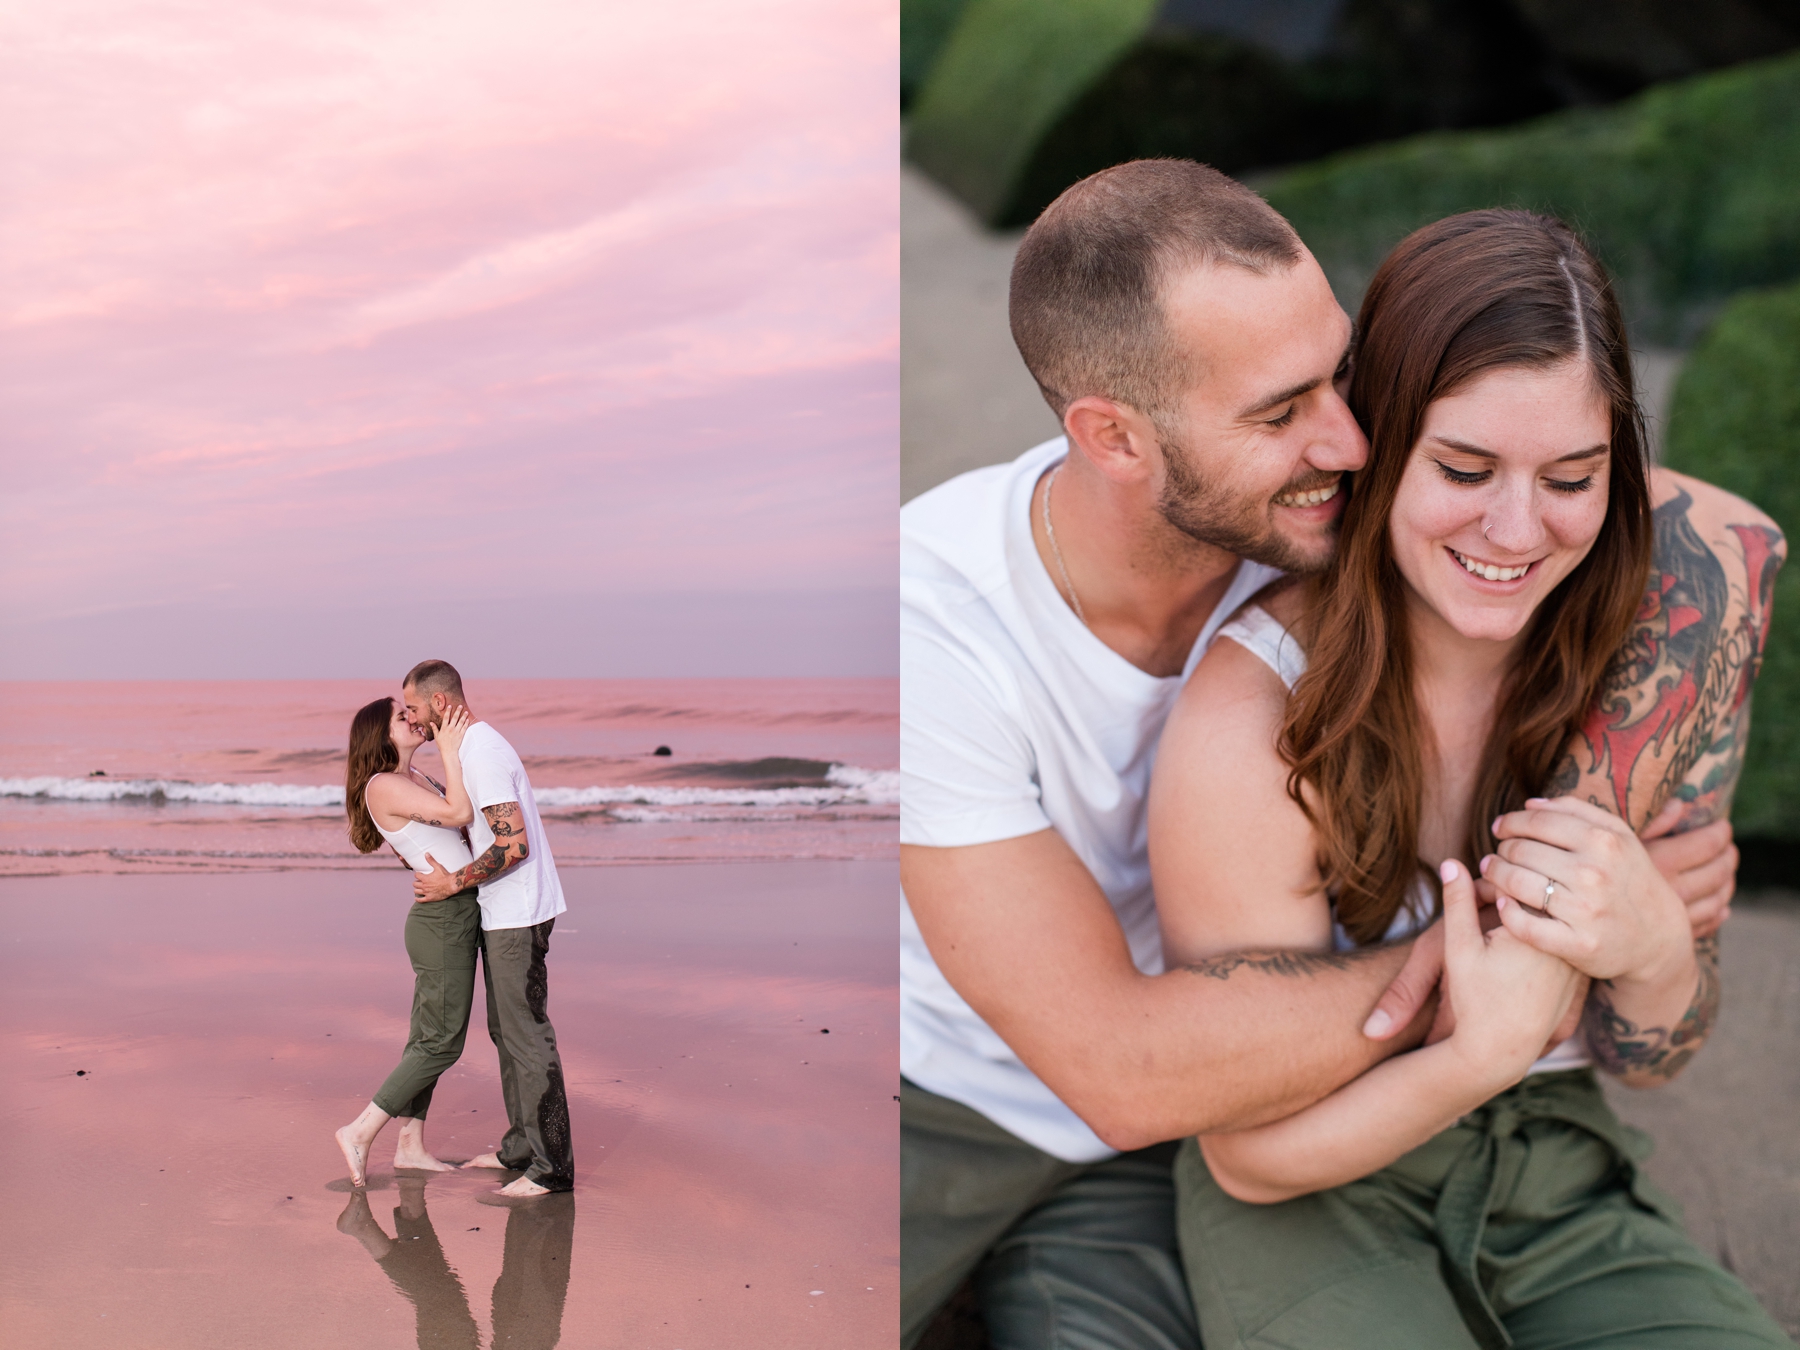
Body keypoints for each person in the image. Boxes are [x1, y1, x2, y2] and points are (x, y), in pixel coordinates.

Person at [899, 159, 1743, 1348]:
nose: (1350, 440)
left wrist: (1633, 879)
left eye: (1339, 373)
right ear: (1116, 438)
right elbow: (1121, 1076)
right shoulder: (928, 629)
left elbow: (1696, 518)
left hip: (1247, 1101)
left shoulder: (1339, 515)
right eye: (1282, 409)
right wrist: (1528, 947)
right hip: (973, 1104)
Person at [1148, 209, 1789, 1346]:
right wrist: (1483, 1049)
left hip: (1556, 1168)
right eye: (1464, 467)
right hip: (1317, 1195)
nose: (1515, 528)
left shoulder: (1669, 631)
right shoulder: (1254, 724)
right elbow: (1247, 1155)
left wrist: (1648, 953)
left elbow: (1656, 1057)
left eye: (1572, 476)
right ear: (1381, 443)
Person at [405, 659, 574, 1196]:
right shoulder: (467, 752)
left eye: (413, 709)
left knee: (526, 1036)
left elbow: (513, 844)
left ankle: (551, 1170)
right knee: (506, 1032)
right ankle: (520, 1148)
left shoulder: (481, 753)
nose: (411, 721)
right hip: (502, 911)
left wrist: (453, 882)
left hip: (519, 913)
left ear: (440, 703)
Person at [334, 696, 479, 1187]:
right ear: (381, 735)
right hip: (442, 921)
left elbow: (435, 839)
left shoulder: (409, 780)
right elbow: (459, 813)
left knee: (425, 1039)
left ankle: (411, 1146)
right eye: (402, 717)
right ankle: (359, 1131)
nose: (414, 719)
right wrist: (452, 747)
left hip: (447, 911)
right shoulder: (386, 785)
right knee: (441, 1043)